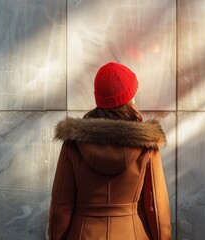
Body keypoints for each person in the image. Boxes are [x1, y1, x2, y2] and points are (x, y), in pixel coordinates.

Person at [48, 62, 172, 240]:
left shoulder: (74, 143)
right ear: (128, 99)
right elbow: (156, 206)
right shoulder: (146, 145)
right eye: (133, 95)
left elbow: (61, 204)